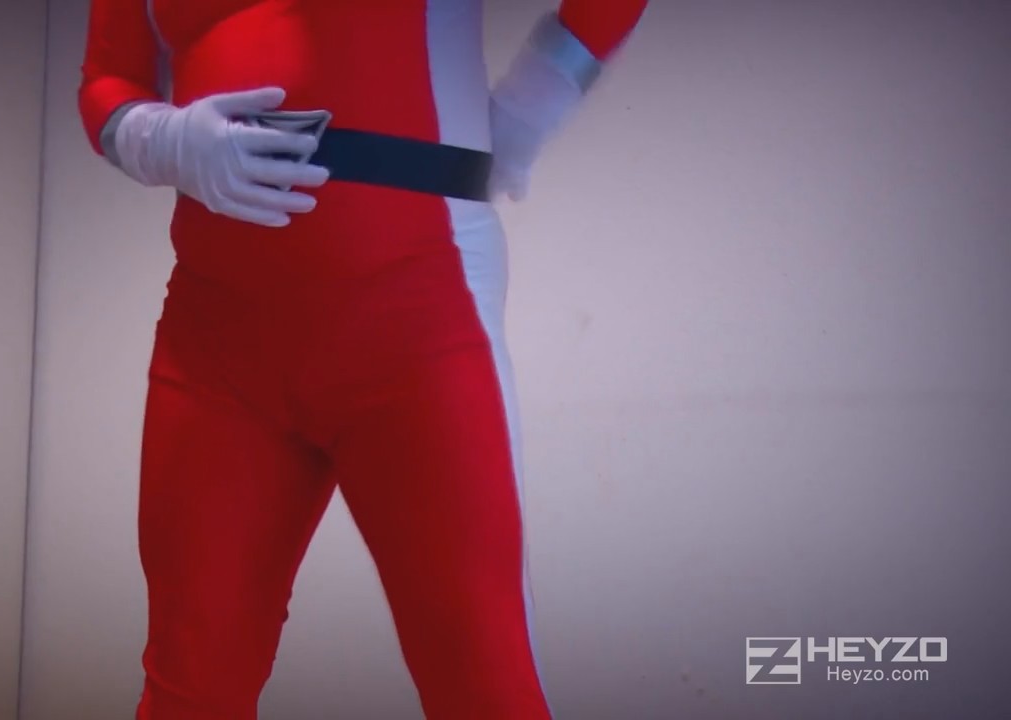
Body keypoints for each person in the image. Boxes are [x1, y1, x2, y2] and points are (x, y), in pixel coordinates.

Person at [78, 1, 647, 717]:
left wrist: (533, 102)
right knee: (190, 687)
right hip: (215, 339)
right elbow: (107, 80)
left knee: (481, 679)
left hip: (418, 319)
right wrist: (159, 139)